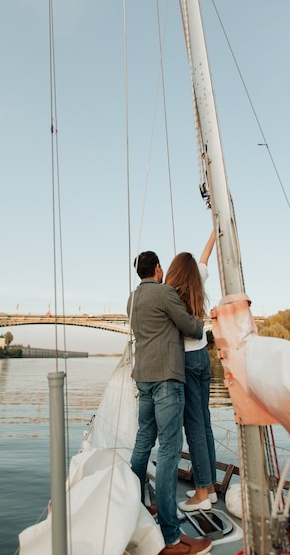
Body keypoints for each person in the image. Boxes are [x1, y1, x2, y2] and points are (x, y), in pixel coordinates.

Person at [127, 250, 212, 555]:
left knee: (142, 445)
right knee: (169, 452)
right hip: (167, 380)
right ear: (159, 269)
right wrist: (200, 322)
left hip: (144, 380)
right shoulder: (164, 294)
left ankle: (135, 508)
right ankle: (171, 536)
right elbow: (190, 327)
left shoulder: (132, 299)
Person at [164, 231, 218, 512]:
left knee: (193, 425)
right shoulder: (199, 277)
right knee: (205, 422)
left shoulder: (170, 293)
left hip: (185, 360)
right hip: (204, 357)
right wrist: (214, 233)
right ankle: (210, 487)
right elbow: (205, 256)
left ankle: (200, 494)